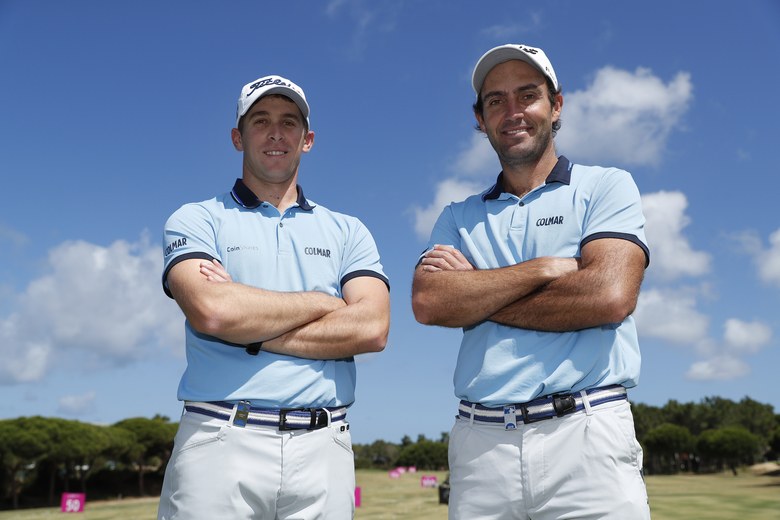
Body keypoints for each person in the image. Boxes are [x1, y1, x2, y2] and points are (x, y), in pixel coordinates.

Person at [412, 44, 651, 519]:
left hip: (587, 434)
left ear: (556, 105)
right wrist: (541, 270)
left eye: (527, 95)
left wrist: (477, 293)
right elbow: (430, 302)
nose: (512, 111)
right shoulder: (457, 215)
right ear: (480, 118)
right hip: (481, 445)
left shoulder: (606, 186)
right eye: (495, 101)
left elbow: (608, 296)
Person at [158, 75, 390, 519]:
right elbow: (213, 312)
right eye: (260, 121)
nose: (276, 133)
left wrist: (248, 328)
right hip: (220, 438)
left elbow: (372, 328)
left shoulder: (349, 230)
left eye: (289, 122)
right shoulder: (195, 219)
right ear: (237, 137)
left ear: (308, 140)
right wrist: (326, 303)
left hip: (325, 445)